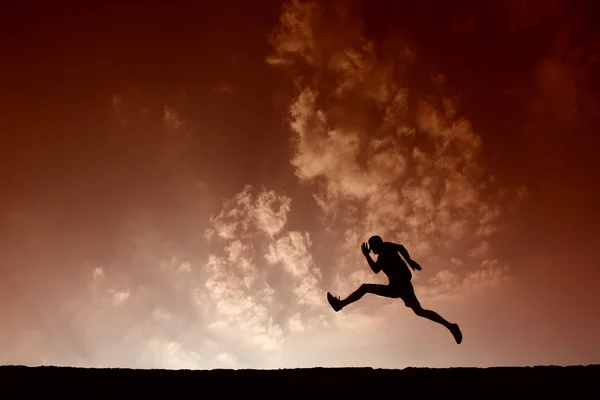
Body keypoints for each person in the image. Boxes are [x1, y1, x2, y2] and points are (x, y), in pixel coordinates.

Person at [327, 235, 463, 344]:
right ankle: (340, 305)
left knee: (419, 311)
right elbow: (375, 270)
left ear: (377, 244)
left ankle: (451, 326)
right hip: (394, 288)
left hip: (403, 286)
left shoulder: (387, 247)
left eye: (372, 247)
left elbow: (401, 247)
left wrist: (410, 261)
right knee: (366, 288)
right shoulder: (381, 257)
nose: (372, 250)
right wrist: (366, 255)